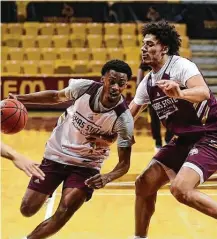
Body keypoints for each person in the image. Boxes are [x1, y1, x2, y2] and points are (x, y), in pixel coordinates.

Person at [9, 59, 134, 239]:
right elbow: (55, 97)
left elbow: (124, 164)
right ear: (103, 79)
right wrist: (20, 99)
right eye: (112, 81)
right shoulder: (84, 88)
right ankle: (47, 194)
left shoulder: (124, 119)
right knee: (27, 210)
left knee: (66, 208)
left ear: (125, 85)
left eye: (121, 83)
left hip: (87, 165)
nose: (115, 87)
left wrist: (107, 177)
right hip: (57, 153)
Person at [129, 20, 217, 239]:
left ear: (164, 48)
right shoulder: (147, 83)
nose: (144, 49)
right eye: (143, 45)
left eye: (150, 44)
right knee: (144, 183)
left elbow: (203, 92)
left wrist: (180, 94)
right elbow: (126, 116)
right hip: (185, 138)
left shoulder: (180, 66)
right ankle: (139, 237)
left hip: (210, 133)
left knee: (180, 189)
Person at [137, 62, 173, 151]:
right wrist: (139, 85)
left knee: (172, 117)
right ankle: (158, 143)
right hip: (153, 92)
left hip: (168, 91)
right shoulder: (151, 55)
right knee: (155, 118)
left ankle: (168, 140)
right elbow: (141, 68)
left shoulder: (173, 56)